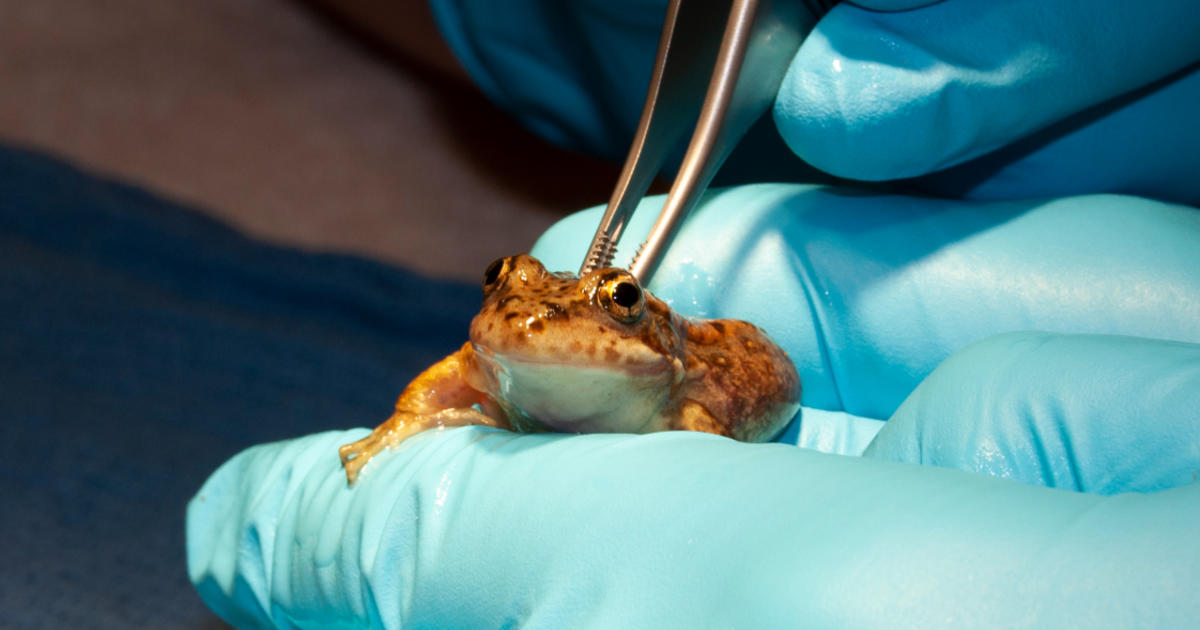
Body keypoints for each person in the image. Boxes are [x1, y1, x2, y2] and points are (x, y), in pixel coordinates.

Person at [187, 1, 1200, 626]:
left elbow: (726, 465)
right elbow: (452, 376)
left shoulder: (689, 386)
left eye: (619, 304)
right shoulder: (496, 353)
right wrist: (404, 427)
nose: (537, 329)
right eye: (504, 294)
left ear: (655, 336)